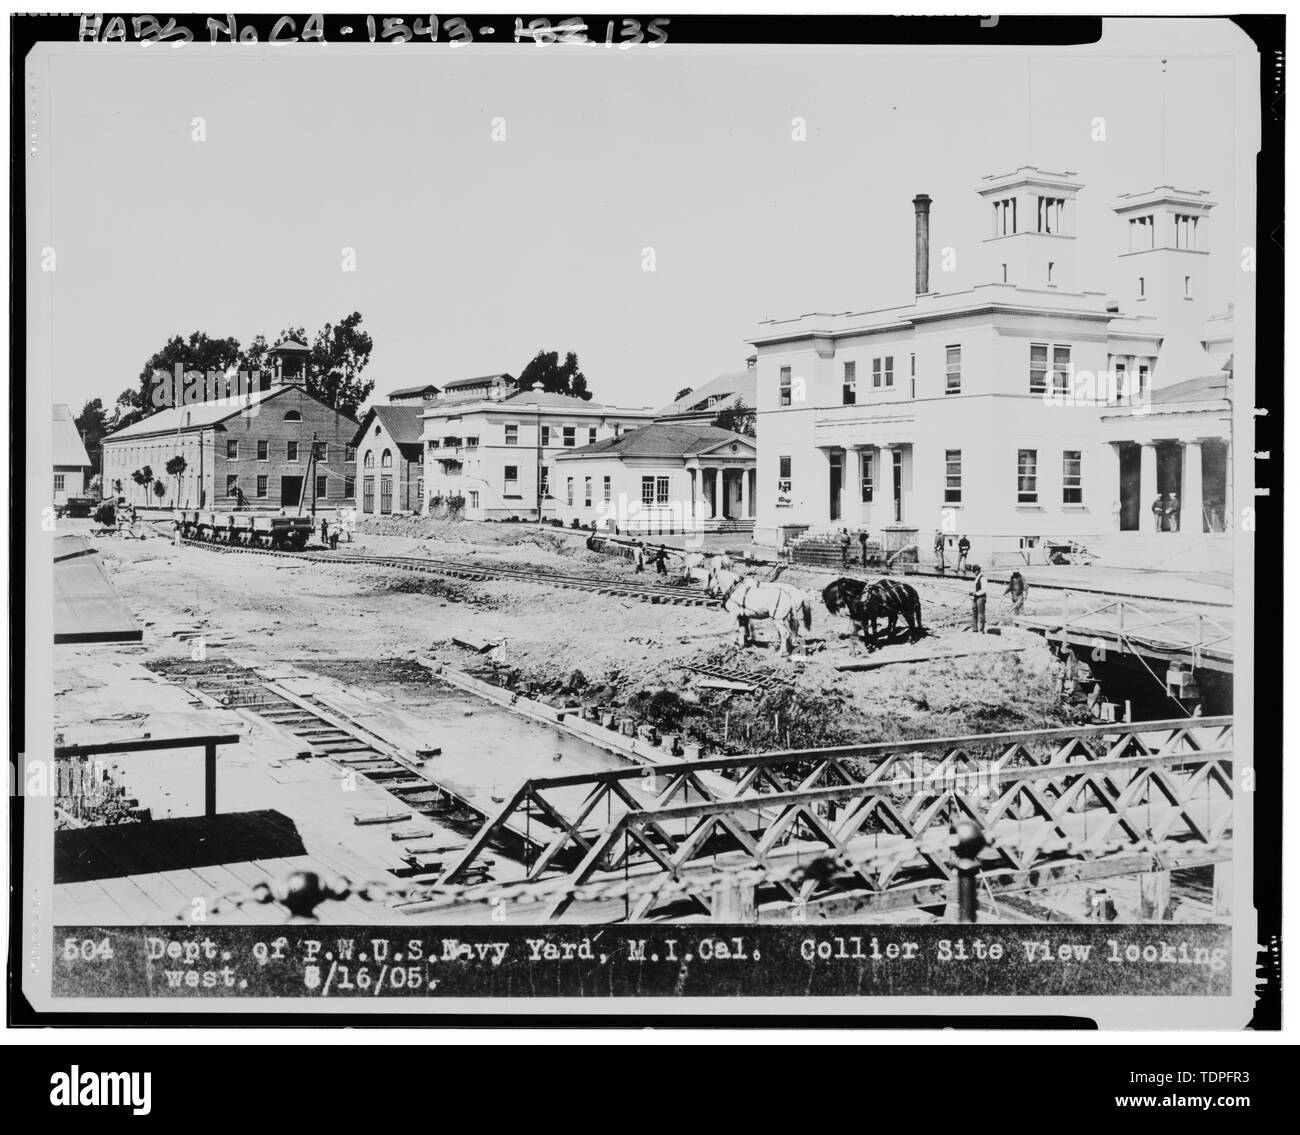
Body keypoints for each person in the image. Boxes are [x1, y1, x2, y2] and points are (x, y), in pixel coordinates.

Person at [971, 567, 987, 633]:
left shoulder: (983, 578)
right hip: (975, 597)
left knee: (981, 614)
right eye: (974, 571)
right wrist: (972, 592)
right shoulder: (976, 578)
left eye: (975, 571)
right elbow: (975, 588)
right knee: (974, 613)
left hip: (981, 598)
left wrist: (976, 593)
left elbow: (984, 589)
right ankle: (975, 629)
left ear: (979, 570)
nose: (974, 572)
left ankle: (981, 630)